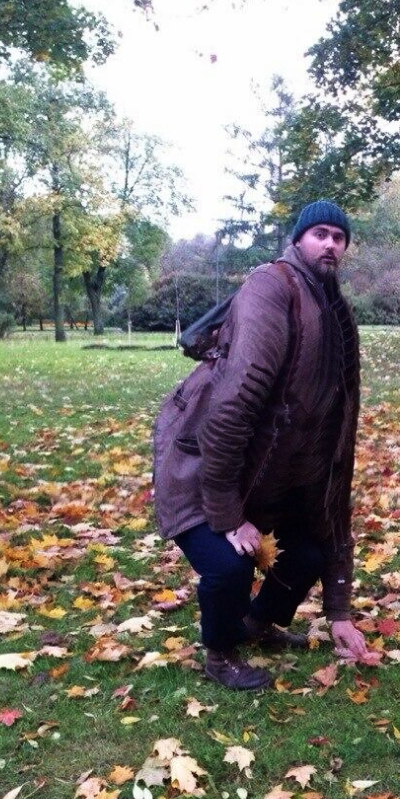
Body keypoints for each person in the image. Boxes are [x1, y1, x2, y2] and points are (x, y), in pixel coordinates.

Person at [152, 200, 367, 690]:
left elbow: (337, 475)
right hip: (203, 467)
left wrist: (338, 612)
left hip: (267, 476)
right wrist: (228, 516)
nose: (330, 243)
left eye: (339, 236)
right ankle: (221, 651)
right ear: (298, 239)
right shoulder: (273, 287)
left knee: (308, 551)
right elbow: (232, 408)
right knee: (229, 565)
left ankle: (258, 624)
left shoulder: (331, 304)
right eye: (319, 234)